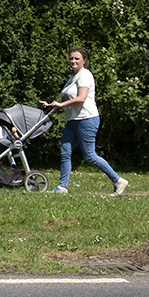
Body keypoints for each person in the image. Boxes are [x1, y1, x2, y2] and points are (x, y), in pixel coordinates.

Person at [40, 48, 128, 196]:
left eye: (77, 59)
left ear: (84, 60)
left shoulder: (85, 75)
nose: (73, 61)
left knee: (89, 156)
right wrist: (51, 104)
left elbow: (81, 98)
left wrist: (61, 105)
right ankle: (62, 187)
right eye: (71, 58)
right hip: (72, 120)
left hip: (86, 119)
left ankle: (118, 181)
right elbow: (67, 98)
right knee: (65, 152)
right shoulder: (73, 77)